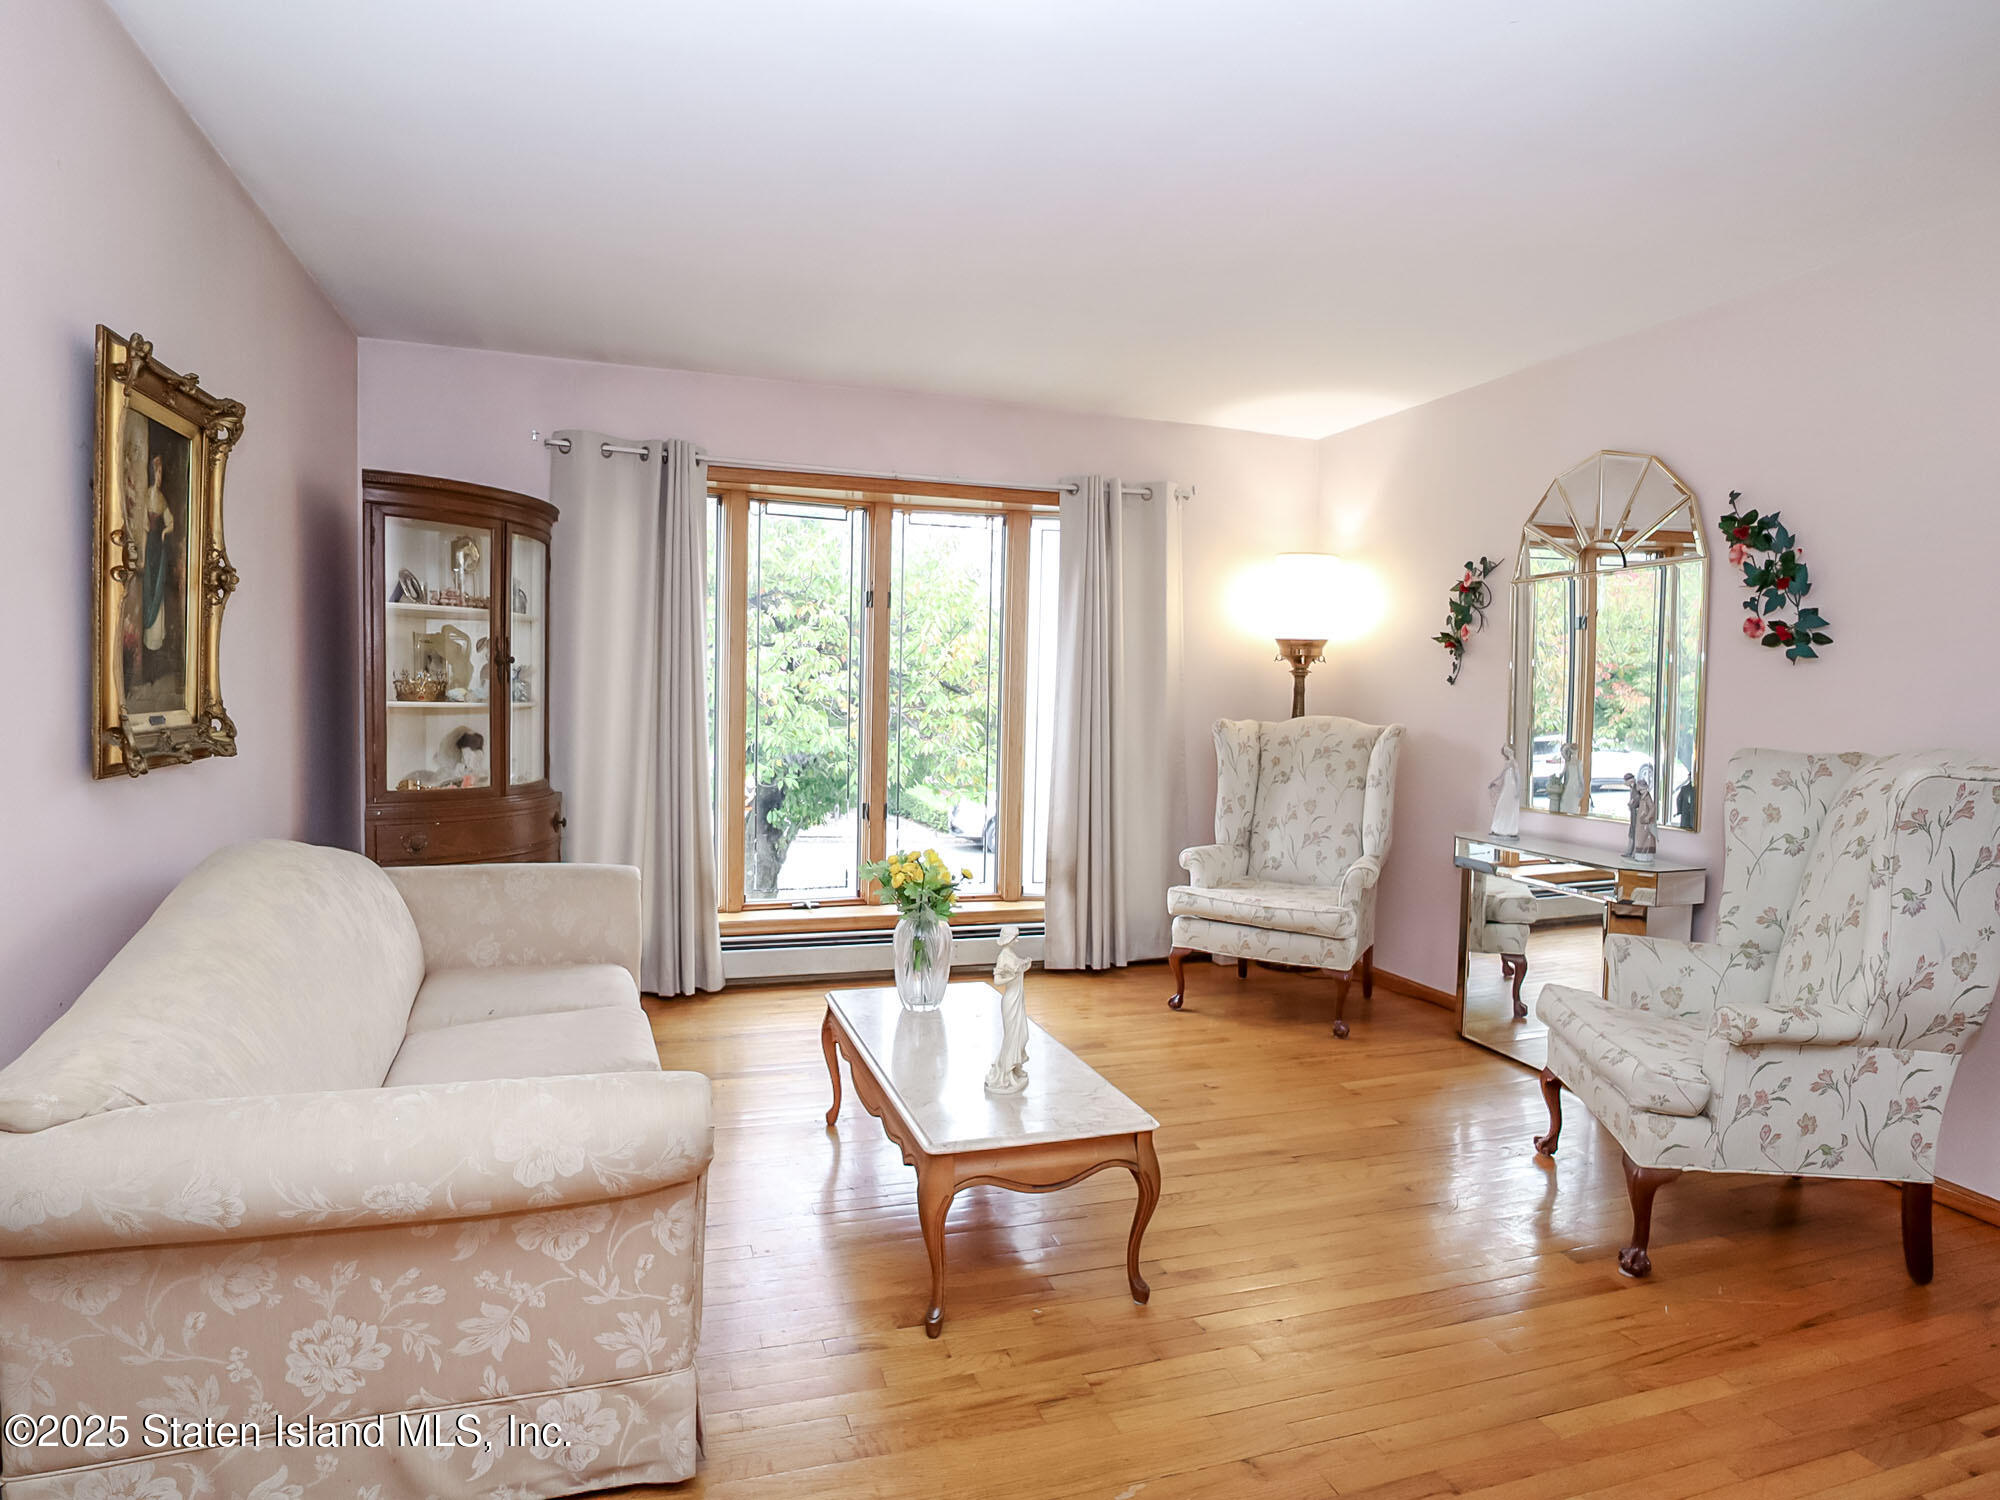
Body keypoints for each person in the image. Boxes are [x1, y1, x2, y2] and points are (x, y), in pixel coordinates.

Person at [141, 453, 175, 652]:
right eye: (158, 472)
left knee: (158, 587)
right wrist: (144, 555)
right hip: (150, 546)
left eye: (161, 472)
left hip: (159, 546)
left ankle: (156, 637)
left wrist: (163, 532)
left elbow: (171, 522)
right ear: (153, 473)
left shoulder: (162, 499)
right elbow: (144, 526)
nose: (160, 476)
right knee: (149, 586)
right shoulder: (148, 495)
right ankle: (149, 636)